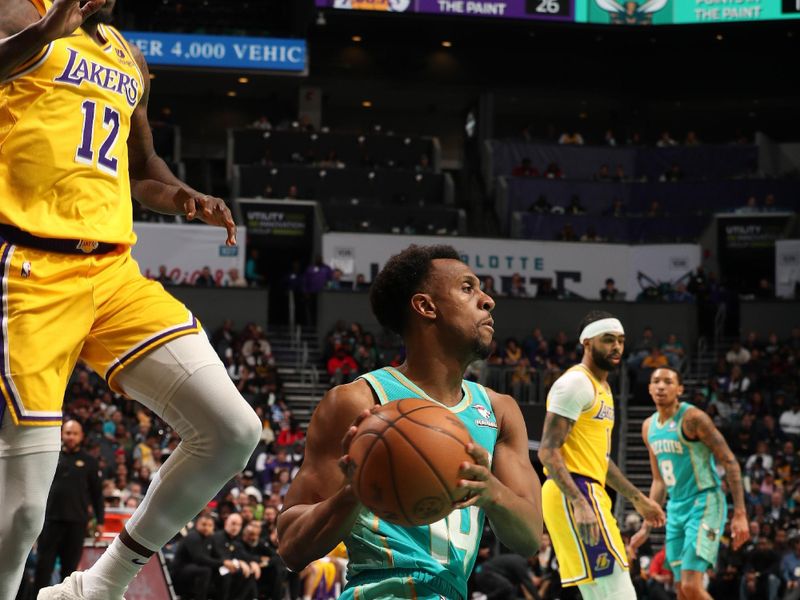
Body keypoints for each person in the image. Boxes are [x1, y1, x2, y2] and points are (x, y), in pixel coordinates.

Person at [0, 2, 262, 598]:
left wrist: (182, 196)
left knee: (231, 429)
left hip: (114, 272)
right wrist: (49, 29)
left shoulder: (127, 55)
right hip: (29, 270)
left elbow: (140, 167)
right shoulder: (18, 10)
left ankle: (99, 586)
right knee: (18, 516)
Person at [277, 244, 543, 600]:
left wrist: (491, 491)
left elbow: (528, 537)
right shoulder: (359, 401)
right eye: (468, 288)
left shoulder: (500, 410)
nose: (487, 300)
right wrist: (355, 492)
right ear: (425, 306)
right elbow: (291, 547)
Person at [537, 311, 665, 599]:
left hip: (587, 490)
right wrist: (579, 503)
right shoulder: (575, 384)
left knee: (601, 592)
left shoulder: (603, 389)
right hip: (575, 490)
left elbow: (601, 461)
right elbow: (547, 450)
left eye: (620, 340)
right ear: (587, 343)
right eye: (608, 340)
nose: (617, 347)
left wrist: (637, 498)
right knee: (618, 591)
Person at [629, 367, 750, 600]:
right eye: (656, 381)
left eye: (668, 381)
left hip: (704, 501)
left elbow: (730, 461)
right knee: (681, 591)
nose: (661, 386)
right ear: (649, 389)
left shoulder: (693, 418)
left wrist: (740, 513)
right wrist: (646, 527)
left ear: (680, 389)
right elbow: (658, 480)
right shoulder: (648, 427)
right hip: (676, 507)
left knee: (692, 586)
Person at [32, 421, 104, 594]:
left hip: (76, 523)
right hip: (50, 522)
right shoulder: (51, 457)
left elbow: (97, 494)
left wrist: (100, 522)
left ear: (81, 436)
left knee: (69, 574)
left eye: (75, 433)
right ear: (62, 434)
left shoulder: (90, 462)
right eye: (68, 433)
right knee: (42, 569)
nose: (71, 437)